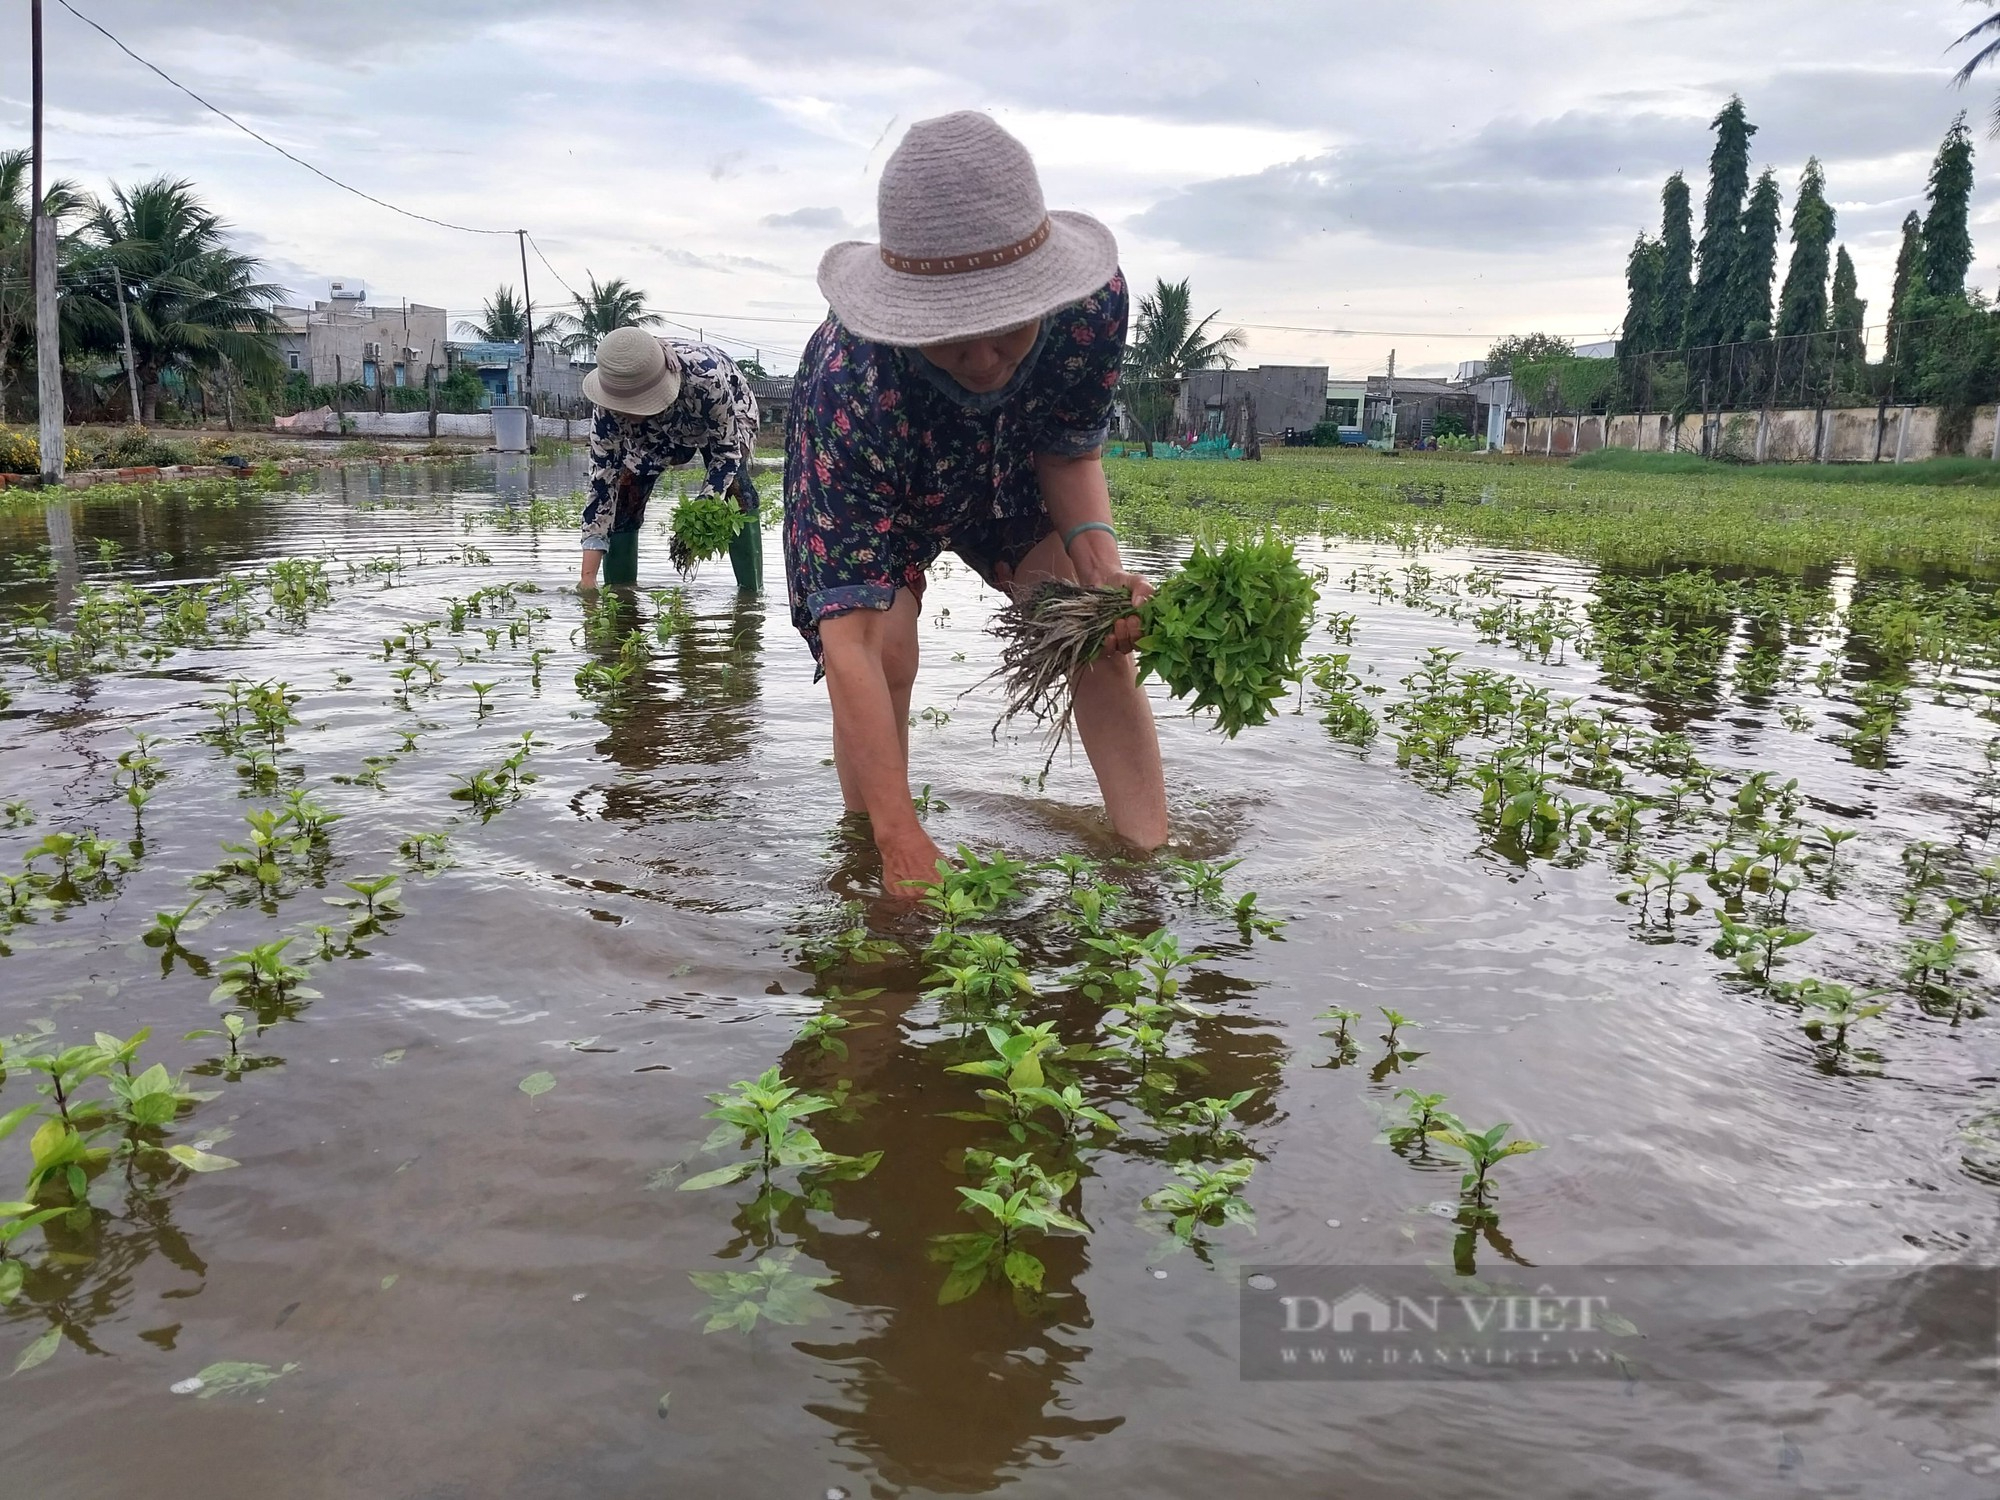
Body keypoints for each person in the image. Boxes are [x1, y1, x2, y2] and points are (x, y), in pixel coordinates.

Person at [784, 111, 1168, 896]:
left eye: (1008, 328)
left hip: (1013, 461)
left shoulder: (1090, 309)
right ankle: (876, 855)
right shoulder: (850, 383)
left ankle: (1148, 864)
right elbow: (848, 640)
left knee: (1089, 623)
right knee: (889, 646)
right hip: (889, 471)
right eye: (956, 335)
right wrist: (903, 838)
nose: (986, 359)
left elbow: (1069, 449)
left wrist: (1102, 572)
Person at [577, 326, 760, 588]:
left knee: (736, 491)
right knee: (625, 492)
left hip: (715, 414)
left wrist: (702, 509)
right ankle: (621, 598)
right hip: (653, 429)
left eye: (635, 405)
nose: (628, 411)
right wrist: (587, 578)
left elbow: (726, 453)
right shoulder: (610, 407)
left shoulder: (706, 379)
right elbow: (602, 483)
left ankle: (751, 594)